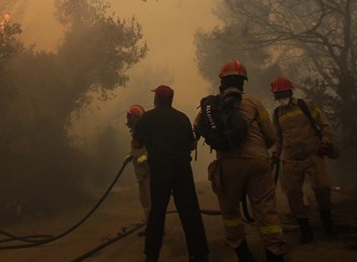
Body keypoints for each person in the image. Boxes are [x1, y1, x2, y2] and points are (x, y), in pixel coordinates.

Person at [195, 60, 286, 262]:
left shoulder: (211, 106)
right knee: (265, 209)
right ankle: (274, 253)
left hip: (228, 164)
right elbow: (271, 136)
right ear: (243, 82)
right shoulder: (254, 102)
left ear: (222, 81)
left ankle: (242, 253)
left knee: (230, 212)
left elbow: (199, 130)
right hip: (257, 162)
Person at [132, 85, 209, 262]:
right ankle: (200, 255)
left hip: (160, 171)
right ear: (171, 100)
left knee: (157, 213)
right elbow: (191, 145)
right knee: (190, 211)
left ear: (157, 99)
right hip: (182, 169)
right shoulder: (182, 117)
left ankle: (151, 257)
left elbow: (136, 144)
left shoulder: (148, 118)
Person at [270, 76, 337, 242]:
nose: (281, 98)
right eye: (278, 96)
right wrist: (276, 152)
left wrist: (326, 140)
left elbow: (325, 125)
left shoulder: (306, 105)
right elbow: (278, 136)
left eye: (283, 94)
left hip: (313, 154)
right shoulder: (277, 113)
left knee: (322, 188)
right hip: (291, 159)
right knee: (292, 194)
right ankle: (305, 230)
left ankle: (327, 224)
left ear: (290, 92)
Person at [125, 104, 151, 236]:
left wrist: (145, 157)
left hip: (149, 172)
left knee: (151, 200)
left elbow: (153, 147)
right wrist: (130, 156)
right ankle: (149, 226)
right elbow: (136, 149)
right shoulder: (136, 133)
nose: (127, 120)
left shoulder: (146, 131)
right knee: (144, 200)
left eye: (129, 117)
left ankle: (155, 228)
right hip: (141, 174)